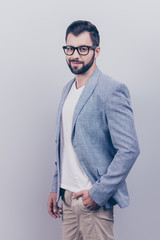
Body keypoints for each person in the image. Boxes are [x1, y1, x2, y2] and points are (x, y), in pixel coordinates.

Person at [47, 20, 140, 240]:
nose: (75, 55)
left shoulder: (111, 90)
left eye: (83, 49)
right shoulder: (67, 89)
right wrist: (55, 187)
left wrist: (97, 194)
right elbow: (64, 146)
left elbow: (129, 149)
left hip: (92, 202)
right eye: (69, 48)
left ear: (96, 51)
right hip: (66, 199)